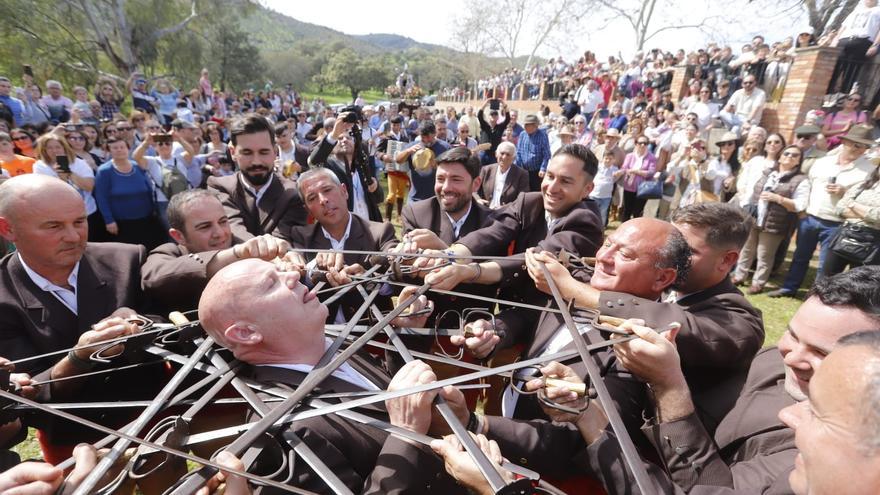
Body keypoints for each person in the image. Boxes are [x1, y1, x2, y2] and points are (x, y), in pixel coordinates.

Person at [432, 266, 880, 495]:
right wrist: (587, 412)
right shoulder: (774, 361)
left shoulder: (830, 459)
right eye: (793, 337)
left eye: (820, 354)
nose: (792, 357)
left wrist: (493, 464)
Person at [197, 258, 467, 494]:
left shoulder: (329, 343)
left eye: (280, 271)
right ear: (245, 333)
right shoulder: (283, 430)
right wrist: (406, 436)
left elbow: (380, 401)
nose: (293, 275)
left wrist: (407, 340)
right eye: (271, 284)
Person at [0, 175, 164, 463]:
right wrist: (78, 359)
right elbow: (26, 389)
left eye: (79, 221)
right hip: (72, 439)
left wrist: (139, 323)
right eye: (53, 226)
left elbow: (166, 318)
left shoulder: (126, 258)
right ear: (7, 229)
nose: (74, 236)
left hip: (152, 420)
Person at [421, 144, 603, 306]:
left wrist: (470, 271)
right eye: (550, 176)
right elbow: (494, 231)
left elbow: (533, 260)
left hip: (549, 318)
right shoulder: (530, 202)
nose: (552, 187)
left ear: (587, 189)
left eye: (565, 181)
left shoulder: (585, 221)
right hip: (512, 310)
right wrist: (450, 255)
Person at [141, 189, 295, 313]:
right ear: (178, 236)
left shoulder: (241, 244)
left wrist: (284, 260)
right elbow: (154, 278)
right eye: (205, 227)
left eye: (223, 222)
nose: (220, 233)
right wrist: (236, 255)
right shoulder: (167, 252)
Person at [769, 125, 877, 297]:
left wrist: (844, 192)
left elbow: (865, 196)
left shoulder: (869, 170)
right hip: (809, 217)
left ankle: (816, 296)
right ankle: (789, 287)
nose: (859, 149)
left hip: (837, 222)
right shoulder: (823, 163)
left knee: (825, 264)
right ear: (844, 142)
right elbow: (806, 187)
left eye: (863, 146)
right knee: (800, 257)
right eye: (855, 144)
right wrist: (802, 212)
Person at [281, 168, 397, 323]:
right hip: (320, 334)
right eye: (312, 198)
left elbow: (397, 272)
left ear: (344, 191)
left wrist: (369, 280)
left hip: (372, 334)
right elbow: (295, 279)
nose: (323, 200)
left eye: (327, 190)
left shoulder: (380, 232)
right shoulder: (300, 237)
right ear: (307, 209)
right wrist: (313, 270)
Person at [207, 115, 308, 242]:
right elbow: (232, 227)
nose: (256, 161)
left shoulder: (293, 193)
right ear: (232, 153)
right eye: (247, 153)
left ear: (275, 152)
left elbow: (284, 238)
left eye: (263, 152)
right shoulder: (219, 187)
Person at [733, 145, 808, 293]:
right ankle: (739, 276)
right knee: (747, 250)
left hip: (776, 222)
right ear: (780, 156)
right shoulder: (768, 173)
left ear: (799, 161)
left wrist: (778, 198)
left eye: (795, 155)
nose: (790, 156)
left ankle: (758, 283)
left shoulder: (801, 180)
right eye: (786, 153)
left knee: (764, 254)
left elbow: (800, 205)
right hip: (755, 217)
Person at [94, 137, 165, 249]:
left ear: (128, 149)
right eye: (115, 148)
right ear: (109, 150)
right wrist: (109, 220)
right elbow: (101, 198)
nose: (119, 150)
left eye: (122, 147)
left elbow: (148, 189)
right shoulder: (104, 171)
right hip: (122, 223)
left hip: (146, 219)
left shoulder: (137, 166)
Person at [309, 115, 384, 221]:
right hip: (344, 228)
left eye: (348, 138)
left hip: (370, 225)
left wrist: (376, 187)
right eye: (339, 138)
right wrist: (334, 134)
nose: (344, 140)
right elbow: (314, 161)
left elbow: (379, 199)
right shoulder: (328, 167)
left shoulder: (361, 166)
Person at [31, 134, 101, 240]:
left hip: (87, 214)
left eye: (57, 147)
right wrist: (61, 179)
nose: (54, 150)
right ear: (44, 150)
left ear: (64, 147)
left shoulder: (79, 163)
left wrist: (69, 174)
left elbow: (89, 187)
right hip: (59, 217)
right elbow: (46, 193)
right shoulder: (40, 166)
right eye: (49, 147)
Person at [823, 165, 880, 274]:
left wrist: (852, 204)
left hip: (874, 243)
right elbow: (840, 208)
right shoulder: (862, 185)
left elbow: (878, 216)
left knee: (859, 284)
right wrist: (868, 215)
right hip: (846, 235)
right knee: (826, 278)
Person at [829, 0, 880, 94]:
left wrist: (875, 45)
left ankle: (842, 97)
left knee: (851, 71)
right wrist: (835, 39)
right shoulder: (856, 10)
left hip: (862, 41)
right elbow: (843, 27)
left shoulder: (878, 10)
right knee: (834, 69)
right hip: (844, 40)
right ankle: (826, 94)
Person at [393, 121, 451, 202]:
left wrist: (437, 166)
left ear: (435, 134)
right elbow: (398, 160)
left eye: (428, 137)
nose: (426, 140)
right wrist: (408, 151)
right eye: (423, 137)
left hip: (437, 197)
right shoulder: (413, 145)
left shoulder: (445, 147)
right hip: (415, 197)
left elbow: (451, 170)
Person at [476, 141, 529, 208]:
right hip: (485, 211)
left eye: (508, 154)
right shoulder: (486, 170)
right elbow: (473, 189)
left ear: (513, 158)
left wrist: (507, 207)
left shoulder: (521, 174)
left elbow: (522, 199)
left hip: (507, 213)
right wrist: (478, 199)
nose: (504, 157)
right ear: (496, 154)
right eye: (502, 153)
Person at [514, 114, 550, 191]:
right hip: (523, 170)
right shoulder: (522, 134)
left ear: (535, 126)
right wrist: (518, 167)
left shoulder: (542, 135)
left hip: (536, 172)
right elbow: (518, 152)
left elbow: (546, 155)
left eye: (527, 125)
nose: (525, 126)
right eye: (525, 124)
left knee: (535, 193)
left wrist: (543, 168)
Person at [476, 99, 509, 164]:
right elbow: (479, 115)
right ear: (488, 116)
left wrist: (503, 104)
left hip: (494, 154)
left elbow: (508, 118)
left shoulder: (500, 127)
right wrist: (486, 103)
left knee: (492, 172)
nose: (493, 116)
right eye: (491, 115)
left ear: (498, 117)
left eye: (495, 115)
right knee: (480, 171)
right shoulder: (485, 125)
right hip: (483, 153)